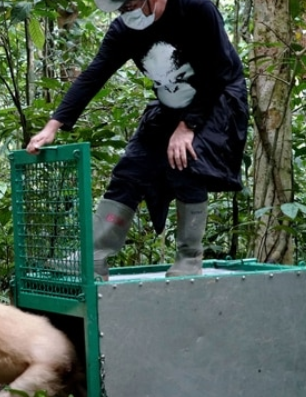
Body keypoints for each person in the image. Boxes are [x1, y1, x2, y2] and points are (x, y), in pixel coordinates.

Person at [26, 0, 248, 280]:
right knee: (132, 166)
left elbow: (219, 71)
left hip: (218, 97)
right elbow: (95, 74)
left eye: (130, 3)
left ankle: (189, 258)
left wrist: (187, 125)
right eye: (120, 8)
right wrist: (53, 124)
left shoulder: (194, 9)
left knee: (187, 158)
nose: (127, 12)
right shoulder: (124, 30)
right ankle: (93, 259)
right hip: (171, 106)